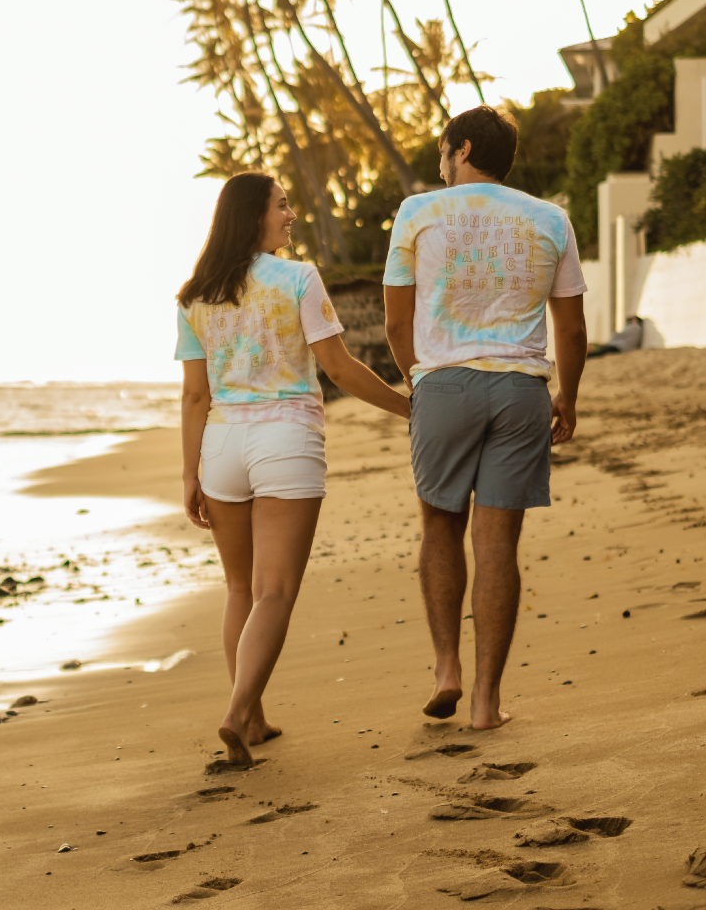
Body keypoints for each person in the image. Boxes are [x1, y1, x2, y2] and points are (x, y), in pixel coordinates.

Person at [176, 171, 411, 766]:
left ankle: (252, 720)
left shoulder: (194, 295)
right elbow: (339, 367)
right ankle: (236, 713)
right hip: (285, 438)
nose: (291, 215)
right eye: (283, 205)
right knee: (274, 591)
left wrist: (190, 475)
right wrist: (408, 406)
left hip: (223, 446)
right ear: (254, 215)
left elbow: (195, 397)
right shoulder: (299, 278)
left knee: (240, 589)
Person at [383, 105, 589, 731]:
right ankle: (485, 703)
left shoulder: (418, 213)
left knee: (440, 527)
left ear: (462, 148)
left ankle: (447, 668)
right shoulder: (550, 218)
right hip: (522, 389)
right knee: (498, 543)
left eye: (443, 151)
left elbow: (396, 321)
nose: (439, 164)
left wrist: (420, 379)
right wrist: (568, 398)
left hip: (443, 383)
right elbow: (572, 327)